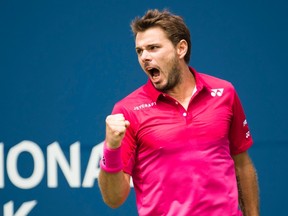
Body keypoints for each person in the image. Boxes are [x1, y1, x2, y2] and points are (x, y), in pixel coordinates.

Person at [98, 9, 259, 216]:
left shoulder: (224, 92)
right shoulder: (127, 110)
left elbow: (242, 164)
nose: (145, 57)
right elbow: (113, 199)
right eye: (139, 51)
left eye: (153, 48)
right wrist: (111, 148)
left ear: (181, 48)